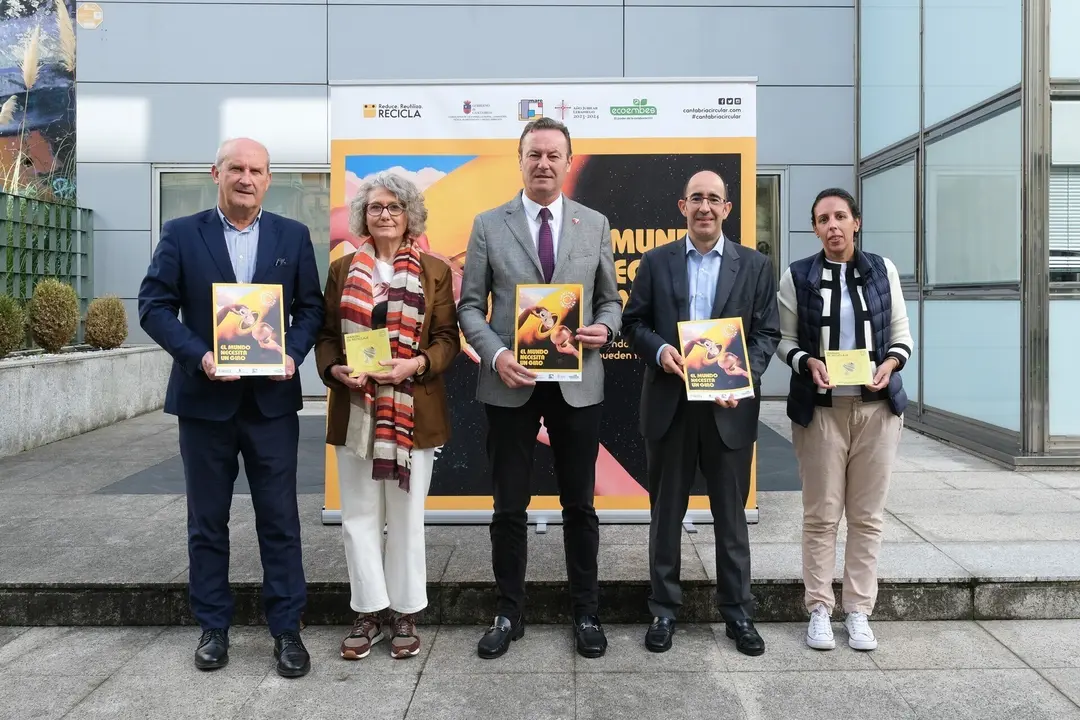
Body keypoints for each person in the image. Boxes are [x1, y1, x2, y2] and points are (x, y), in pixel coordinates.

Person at [138, 137, 324, 677]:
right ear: (215, 173)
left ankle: (288, 631)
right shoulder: (181, 234)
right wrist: (199, 356)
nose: (246, 178)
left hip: (270, 404)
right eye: (236, 169)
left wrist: (291, 354)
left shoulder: (292, 235)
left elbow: (311, 308)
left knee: (281, 521)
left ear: (269, 179)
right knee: (206, 522)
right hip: (205, 403)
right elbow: (154, 306)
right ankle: (213, 628)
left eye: (257, 170)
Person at [457, 116, 623, 659]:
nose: (544, 164)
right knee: (509, 505)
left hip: (577, 383)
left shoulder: (594, 223)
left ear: (568, 162)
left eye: (554, 155)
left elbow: (610, 300)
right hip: (511, 381)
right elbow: (468, 307)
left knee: (580, 505)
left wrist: (606, 328)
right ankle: (508, 611)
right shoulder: (487, 223)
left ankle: (586, 612)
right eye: (535, 155)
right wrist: (497, 354)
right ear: (521, 160)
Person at [621, 170, 780, 656]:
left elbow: (766, 334)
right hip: (671, 405)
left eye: (714, 199)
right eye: (697, 199)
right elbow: (633, 324)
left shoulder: (754, 265)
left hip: (727, 408)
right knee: (665, 515)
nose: (705, 207)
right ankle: (663, 611)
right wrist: (661, 349)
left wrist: (742, 378)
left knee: (731, 518)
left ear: (727, 209)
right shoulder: (655, 261)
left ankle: (739, 614)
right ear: (682, 206)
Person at [315, 172, 460, 660]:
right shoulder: (341, 270)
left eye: (394, 207)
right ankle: (368, 611)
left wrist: (415, 364)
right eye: (376, 207)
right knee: (357, 516)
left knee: (405, 516)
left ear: (410, 215)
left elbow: (446, 340)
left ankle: (405, 613)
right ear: (363, 214)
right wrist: (336, 369)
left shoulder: (434, 271)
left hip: (412, 412)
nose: (385, 215)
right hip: (356, 410)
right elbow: (326, 334)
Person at [776, 188, 912, 652]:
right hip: (821, 412)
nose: (832, 226)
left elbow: (901, 333)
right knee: (820, 515)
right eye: (822, 219)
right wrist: (806, 363)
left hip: (877, 411)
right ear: (814, 228)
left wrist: (890, 364)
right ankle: (818, 608)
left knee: (868, 517)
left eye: (839, 217)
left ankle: (857, 610)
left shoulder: (883, 270)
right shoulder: (798, 276)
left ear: (856, 221)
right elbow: (784, 339)